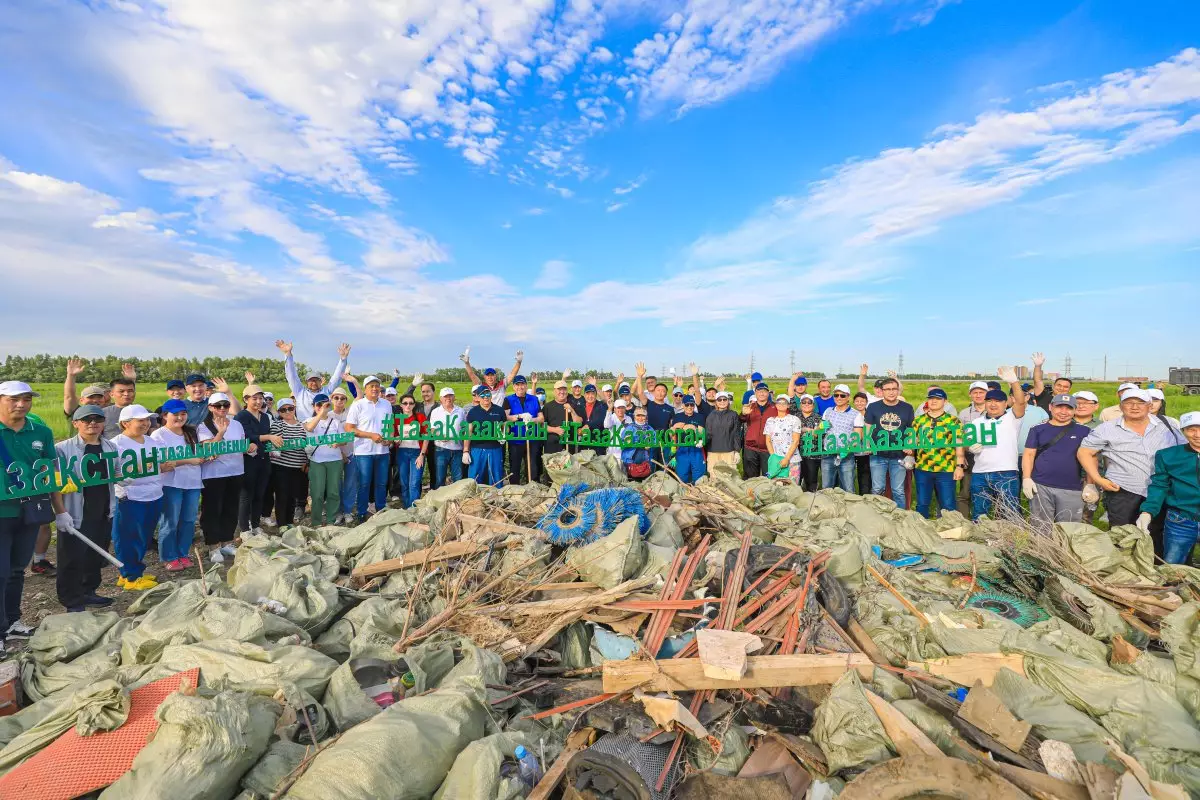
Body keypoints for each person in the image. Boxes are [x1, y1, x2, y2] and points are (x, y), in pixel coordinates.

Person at [0, 382, 82, 650]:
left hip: (30, 510)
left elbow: (51, 476)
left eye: (26, 399)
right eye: (14, 399)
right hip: (2, 511)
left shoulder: (41, 433)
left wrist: (61, 512)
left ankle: (12, 621)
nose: (21, 404)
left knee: (16, 570)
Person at [1079, 388, 1177, 553]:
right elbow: (1085, 452)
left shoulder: (1167, 425)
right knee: (1122, 536)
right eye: (1129, 402)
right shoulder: (1107, 428)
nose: (1134, 407)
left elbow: (1184, 450)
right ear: (1121, 405)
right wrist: (1098, 479)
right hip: (1123, 491)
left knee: (1157, 535)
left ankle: (1154, 572)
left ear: (1149, 405)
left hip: (1162, 491)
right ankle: (1124, 572)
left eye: (1140, 403)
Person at [54, 405, 117, 612]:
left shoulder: (109, 447)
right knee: (71, 557)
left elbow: (118, 472)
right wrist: (60, 512)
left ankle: (88, 590)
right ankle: (71, 599)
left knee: (94, 555)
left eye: (97, 419)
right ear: (75, 423)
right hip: (75, 512)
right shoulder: (62, 449)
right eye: (86, 419)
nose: (92, 423)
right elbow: (54, 485)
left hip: (102, 510)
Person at [110, 404, 164, 590]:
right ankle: (129, 576)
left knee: (144, 536)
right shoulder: (115, 444)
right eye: (140, 420)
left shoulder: (150, 442)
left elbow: (158, 465)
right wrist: (137, 469)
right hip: (130, 497)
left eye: (147, 420)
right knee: (127, 536)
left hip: (154, 495)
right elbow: (113, 474)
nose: (146, 424)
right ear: (125, 423)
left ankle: (134, 569)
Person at [1021, 394, 1093, 531]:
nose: (1063, 412)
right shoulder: (1037, 429)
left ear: (1074, 410)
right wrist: (1026, 478)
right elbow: (1029, 454)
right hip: (1040, 485)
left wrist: (1090, 484)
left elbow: (1091, 459)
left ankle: (1063, 553)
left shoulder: (1084, 431)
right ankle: (1040, 551)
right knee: (1040, 526)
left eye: (1069, 408)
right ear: (1050, 407)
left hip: (1071, 487)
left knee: (1069, 529)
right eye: (1059, 407)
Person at [150, 399, 205, 571]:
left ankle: (183, 553)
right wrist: (189, 460)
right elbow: (163, 461)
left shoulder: (191, 432)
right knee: (170, 521)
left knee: (188, 520)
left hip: (193, 482)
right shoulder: (158, 435)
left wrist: (207, 457)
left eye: (183, 414)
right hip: (171, 483)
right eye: (175, 414)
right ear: (165, 416)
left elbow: (201, 453)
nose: (180, 417)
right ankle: (169, 556)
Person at [966, 367, 1027, 520]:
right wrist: (971, 448)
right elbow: (967, 443)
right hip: (980, 473)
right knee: (980, 514)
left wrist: (1014, 382)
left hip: (1006, 473)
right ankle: (981, 542)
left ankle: (1011, 543)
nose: (993, 404)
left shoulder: (1012, 418)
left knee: (1010, 513)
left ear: (1006, 403)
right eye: (989, 401)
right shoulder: (976, 422)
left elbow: (1020, 402)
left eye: (998, 401)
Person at [1139, 412, 1200, 564]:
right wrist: (1147, 511)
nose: (1197, 434)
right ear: (1183, 431)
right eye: (1191, 429)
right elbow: (1159, 485)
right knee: (1173, 566)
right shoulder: (1168, 455)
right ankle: (1174, 587)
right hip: (1180, 520)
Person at [197, 393, 245, 563]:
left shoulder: (238, 424)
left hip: (236, 471)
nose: (223, 409)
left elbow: (241, 444)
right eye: (218, 406)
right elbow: (208, 450)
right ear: (210, 407)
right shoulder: (204, 426)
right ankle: (213, 545)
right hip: (213, 474)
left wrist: (250, 446)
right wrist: (221, 432)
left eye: (225, 405)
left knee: (231, 508)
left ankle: (227, 541)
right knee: (212, 510)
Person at [911, 388, 965, 519]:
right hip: (923, 468)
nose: (933, 401)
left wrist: (959, 466)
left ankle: (949, 531)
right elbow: (912, 444)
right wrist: (910, 450)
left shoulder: (954, 421)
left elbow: (959, 446)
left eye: (938, 398)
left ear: (945, 401)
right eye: (931, 398)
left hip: (946, 469)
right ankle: (922, 532)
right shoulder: (918, 421)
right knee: (922, 503)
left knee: (947, 504)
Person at [345, 375, 392, 522]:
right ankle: (361, 513)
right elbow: (349, 429)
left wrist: (389, 439)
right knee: (364, 483)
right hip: (363, 452)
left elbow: (389, 426)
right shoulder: (358, 405)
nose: (374, 388)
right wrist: (370, 435)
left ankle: (380, 510)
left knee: (382, 483)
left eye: (377, 386)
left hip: (383, 452)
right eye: (371, 386)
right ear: (365, 389)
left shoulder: (386, 404)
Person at [236, 384, 282, 533]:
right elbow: (246, 436)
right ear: (246, 399)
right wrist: (268, 437)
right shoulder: (241, 416)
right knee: (246, 495)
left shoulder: (265, 417)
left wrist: (273, 443)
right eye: (254, 398)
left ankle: (255, 525)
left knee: (259, 494)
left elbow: (268, 437)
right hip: (248, 461)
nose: (258, 402)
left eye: (260, 398)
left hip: (264, 459)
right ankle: (244, 529)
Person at [864, 377, 915, 509]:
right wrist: (868, 444)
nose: (891, 392)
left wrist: (909, 445)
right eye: (888, 389)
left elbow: (910, 430)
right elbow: (868, 427)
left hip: (899, 455)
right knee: (877, 488)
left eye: (894, 389)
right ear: (882, 391)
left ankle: (901, 518)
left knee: (898, 490)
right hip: (877, 454)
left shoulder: (907, 408)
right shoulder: (873, 407)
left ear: (898, 390)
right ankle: (875, 514)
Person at [276, 339, 350, 421]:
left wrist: (343, 359)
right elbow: (291, 375)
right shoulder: (300, 391)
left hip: (324, 428)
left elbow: (337, 377)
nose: (314, 382)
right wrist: (288, 354)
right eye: (311, 380)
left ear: (320, 381)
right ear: (306, 382)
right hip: (305, 428)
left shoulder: (327, 391)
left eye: (316, 380)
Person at [304, 393, 347, 526]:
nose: (322, 407)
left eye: (325, 404)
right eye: (318, 405)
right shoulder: (307, 420)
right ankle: (316, 522)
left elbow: (344, 440)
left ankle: (331, 521)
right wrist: (321, 413)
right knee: (317, 493)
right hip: (317, 461)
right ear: (313, 406)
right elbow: (310, 428)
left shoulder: (335, 421)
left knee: (333, 492)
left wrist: (338, 443)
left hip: (335, 460)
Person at [268, 399, 309, 527]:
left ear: (294, 408)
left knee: (293, 496)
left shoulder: (303, 425)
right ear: (279, 412)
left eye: (290, 408)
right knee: (282, 496)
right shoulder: (277, 425)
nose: (287, 412)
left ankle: (290, 521)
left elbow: (307, 446)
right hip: (281, 467)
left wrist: (307, 462)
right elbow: (274, 447)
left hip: (299, 467)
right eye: (283, 410)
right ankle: (282, 524)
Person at [819, 385, 864, 491]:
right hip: (827, 454)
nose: (839, 398)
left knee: (847, 488)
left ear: (848, 397)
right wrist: (820, 427)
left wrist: (848, 449)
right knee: (826, 487)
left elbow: (858, 436)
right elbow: (820, 431)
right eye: (836, 395)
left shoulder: (856, 414)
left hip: (846, 456)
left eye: (842, 395)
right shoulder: (828, 411)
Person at [464, 388, 507, 487]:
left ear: (491, 395)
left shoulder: (499, 410)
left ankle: (497, 499)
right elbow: (468, 433)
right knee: (474, 478)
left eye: (488, 394)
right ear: (478, 397)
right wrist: (465, 451)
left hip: (495, 448)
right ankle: (474, 499)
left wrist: (503, 435)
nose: (486, 397)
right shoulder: (473, 412)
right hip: (477, 449)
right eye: (482, 395)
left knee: (496, 477)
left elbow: (504, 427)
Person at [504, 376, 543, 484]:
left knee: (533, 467)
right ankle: (514, 490)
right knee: (515, 468)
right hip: (515, 440)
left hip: (532, 439)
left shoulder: (534, 399)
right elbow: (506, 417)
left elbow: (541, 418)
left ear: (526, 385)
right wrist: (520, 416)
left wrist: (531, 419)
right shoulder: (508, 400)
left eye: (522, 384)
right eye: (517, 384)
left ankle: (533, 489)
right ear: (514, 386)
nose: (520, 387)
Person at [392, 395, 429, 508]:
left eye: (411, 403)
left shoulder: (420, 417)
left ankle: (414, 508)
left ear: (414, 405)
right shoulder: (396, 419)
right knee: (404, 482)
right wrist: (396, 440)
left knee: (415, 482)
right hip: (402, 453)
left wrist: (422, 455)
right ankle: (407, 507)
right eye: (405, 403)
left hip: (417, 453)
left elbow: (426, 437)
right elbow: (393, 436)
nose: (408, 405)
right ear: (401, 405)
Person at [429, 387, 467, 488]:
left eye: (450, 396)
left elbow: (465, 429)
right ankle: (440, 501)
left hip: (457, 449)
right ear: (441, 398)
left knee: (458, 479)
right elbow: (432, 429)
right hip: (441, 449)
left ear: (454, 397)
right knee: (440, 478)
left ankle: (456, 501)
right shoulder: (436, 412)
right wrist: (439, 435)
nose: (448, 398)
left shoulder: (461, 411)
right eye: (445, 396)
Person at [763, 395, 802, 483]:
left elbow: (796, 441)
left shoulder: (794, 420)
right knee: (776, 487)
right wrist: (773, 457)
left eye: (784, 402)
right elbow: (768, 440)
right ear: (775, 405)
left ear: (788, 405)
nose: (781, 404)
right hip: (776, 460)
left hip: (792, 460)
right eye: (779, 402)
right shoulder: (770, 420)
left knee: (792, 487)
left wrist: (787, 458)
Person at [740, 382, 774, 479]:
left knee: (768, 478)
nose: (762, 394)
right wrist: (743, 414)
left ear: (768, 394)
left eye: (764, 391)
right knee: (751, 478)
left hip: (768, 448)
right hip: (751, 447)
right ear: (755, 393)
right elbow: (740, 421)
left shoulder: (774, 407)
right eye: (759, 391)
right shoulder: (750, 406)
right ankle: (749, 494)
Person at [670, 396, 706, 484]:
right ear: (683, 405)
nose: (689, 407)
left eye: (692, 405)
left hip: (696, 448)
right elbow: (672, 434)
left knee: (699, 475)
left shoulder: (700, 417)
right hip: (682, 448)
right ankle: (683, 493)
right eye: (687, 405)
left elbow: (702, 432)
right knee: (682, 475)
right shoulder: (677, 416)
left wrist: (694, 427)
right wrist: (674, 427)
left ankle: (698, 493)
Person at [705, 392, 741, 472]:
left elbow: (736, 433)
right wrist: (702, 441)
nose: (722, 401)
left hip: (729, 452)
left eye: (724, 399)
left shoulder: (733, 415)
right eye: (719, 400)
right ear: (716, 402)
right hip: (713, 452)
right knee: (713, 477)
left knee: (729, 477)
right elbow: (708, 433)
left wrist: (737, 451)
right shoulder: (711, 415)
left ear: (728, 401)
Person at [793, 394, 823, 491]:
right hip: (796, 455)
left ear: (813, 405)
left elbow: (820, 434)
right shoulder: (794, 417)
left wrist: (805, 430)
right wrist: (808, 430)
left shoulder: (819, 418)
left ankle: (811, 502)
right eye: (804, 402)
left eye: (809, 402)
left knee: (811, 481)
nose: (807, 404)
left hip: (813, 455)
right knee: (795, 482)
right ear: (800, 404)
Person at [542, 381, 576, 463]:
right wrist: (555, 430)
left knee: (567, 471)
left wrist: (572, 411)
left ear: (567, 392)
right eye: (559, 389)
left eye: (564, 389)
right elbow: (541, 425)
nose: (562, 392)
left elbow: (579, 422)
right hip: (552, 445)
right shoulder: (547, 407)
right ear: (554, 391)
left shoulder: (572, 405)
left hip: (569, 444)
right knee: (552, 470)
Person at [621, 407, 655, 480]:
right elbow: (622, 444)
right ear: (634, 416)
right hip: (630, 462)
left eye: (643, 415)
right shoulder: (629, 428)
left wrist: (651, 445)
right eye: (638, 415)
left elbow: (655, 441)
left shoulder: (650, 429)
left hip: (646, 463)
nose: (640, 418)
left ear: (646, 417)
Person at [1016, 384, 1050, 449]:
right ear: (1012, 397)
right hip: (1012, 454)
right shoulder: (1006, 413)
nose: (1020, 397)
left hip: (1034, 452)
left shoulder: (1039, 411)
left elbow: (1046, 431)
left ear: (1028, 397)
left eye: (1024, 395)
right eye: (1017, 395)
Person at [851, 392, 872, 495]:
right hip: (852, 450)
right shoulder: (851, 414)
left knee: (864, 475)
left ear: (866, 402)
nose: (859, 403)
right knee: (850, 475)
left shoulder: (871, 415)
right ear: (854, 402)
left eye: (862, 401)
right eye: (857, 401)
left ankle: (865, 496)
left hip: (866, 451)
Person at [578, 384, 609, 451]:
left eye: (593, 394)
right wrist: (579, 430)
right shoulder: (580, 407)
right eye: (588, 394)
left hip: (599, 444)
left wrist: (589, 425)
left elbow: (601, 420)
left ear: (596, 395)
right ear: (584, 395)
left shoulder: (602, 405)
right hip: (584, 445)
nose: (590, 396)